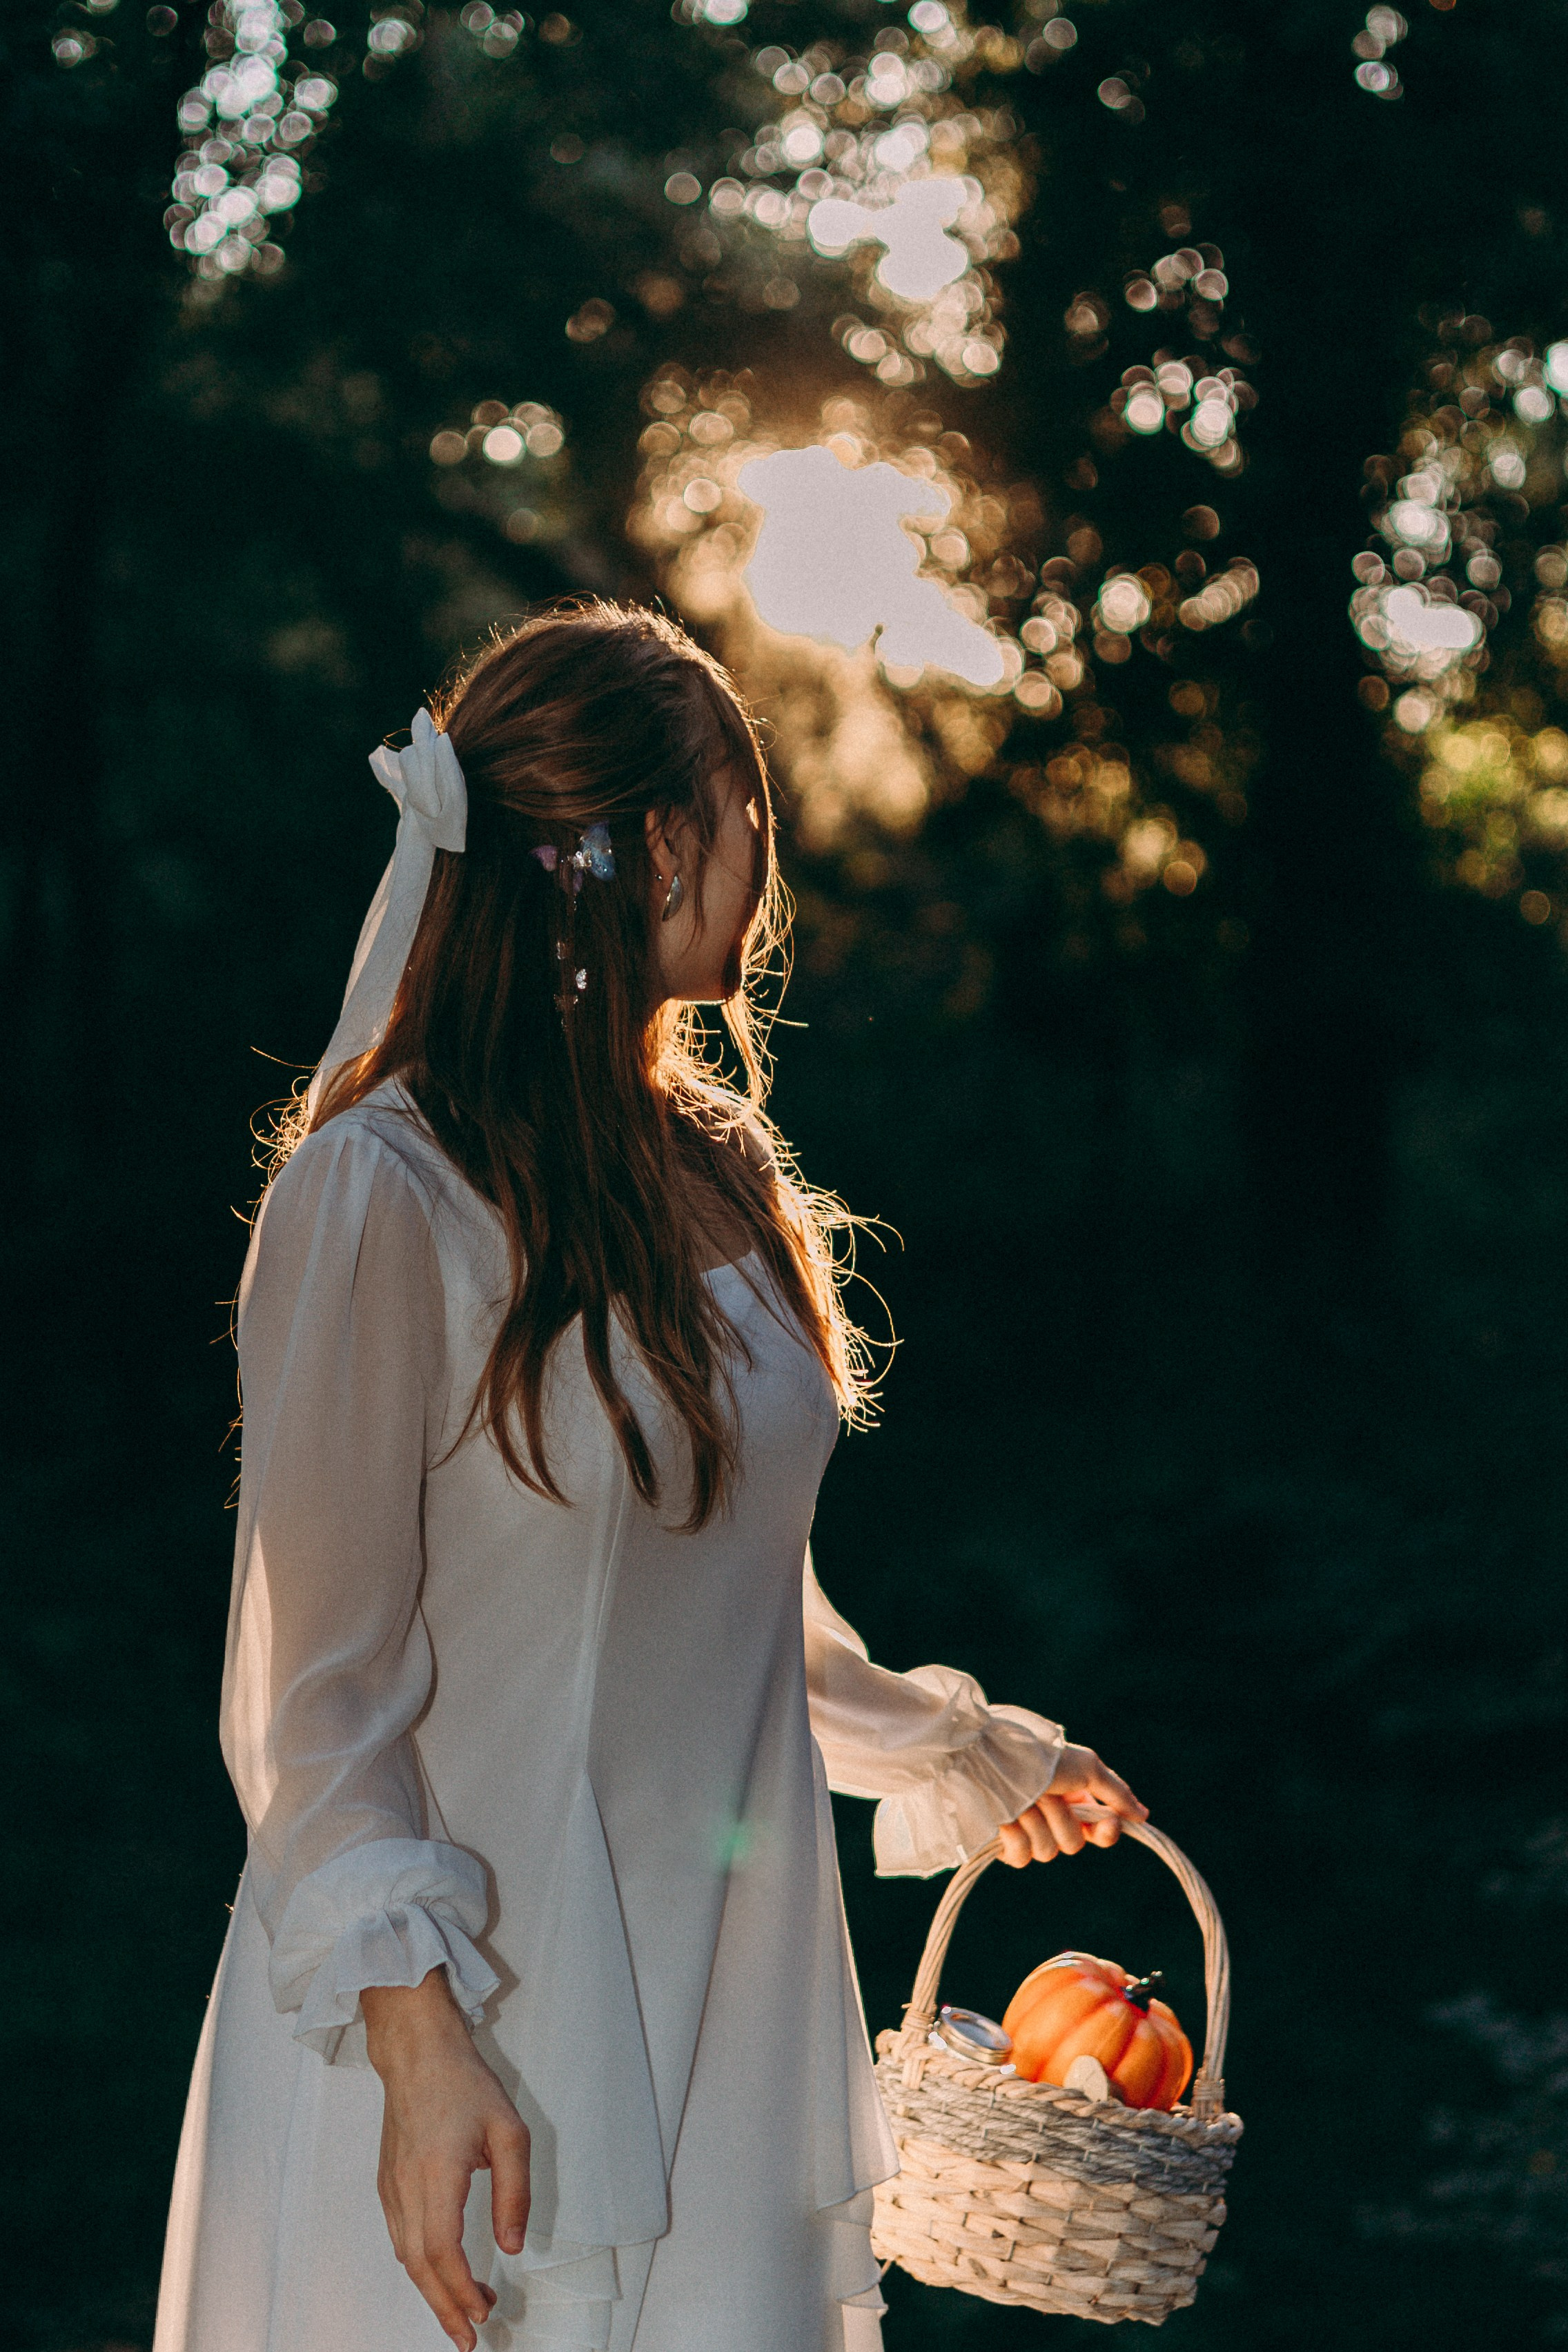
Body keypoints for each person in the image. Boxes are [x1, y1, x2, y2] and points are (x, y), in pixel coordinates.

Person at [153, 602, 1147, 2352]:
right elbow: (317, 1701)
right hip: (477, 2007)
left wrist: (966, 1749)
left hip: (732, 1990)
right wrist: (417, 2032)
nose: (769, 862)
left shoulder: (718, 1168)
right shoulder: (381, 1193)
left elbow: (744, 1600)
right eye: (750, 815)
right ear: (657, 842)